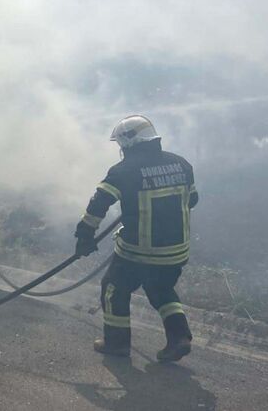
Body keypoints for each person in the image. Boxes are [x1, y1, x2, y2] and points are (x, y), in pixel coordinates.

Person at [74, 115, 199, 362]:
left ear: (128, 142)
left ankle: (116, 343)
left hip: (138, 252)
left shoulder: (124, 170)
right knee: (161, 290)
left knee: (113, 288)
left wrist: (85, 235)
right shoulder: (181, 164)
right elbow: (192, 200)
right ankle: (179, 337)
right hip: (176, 251)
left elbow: (99, 204)